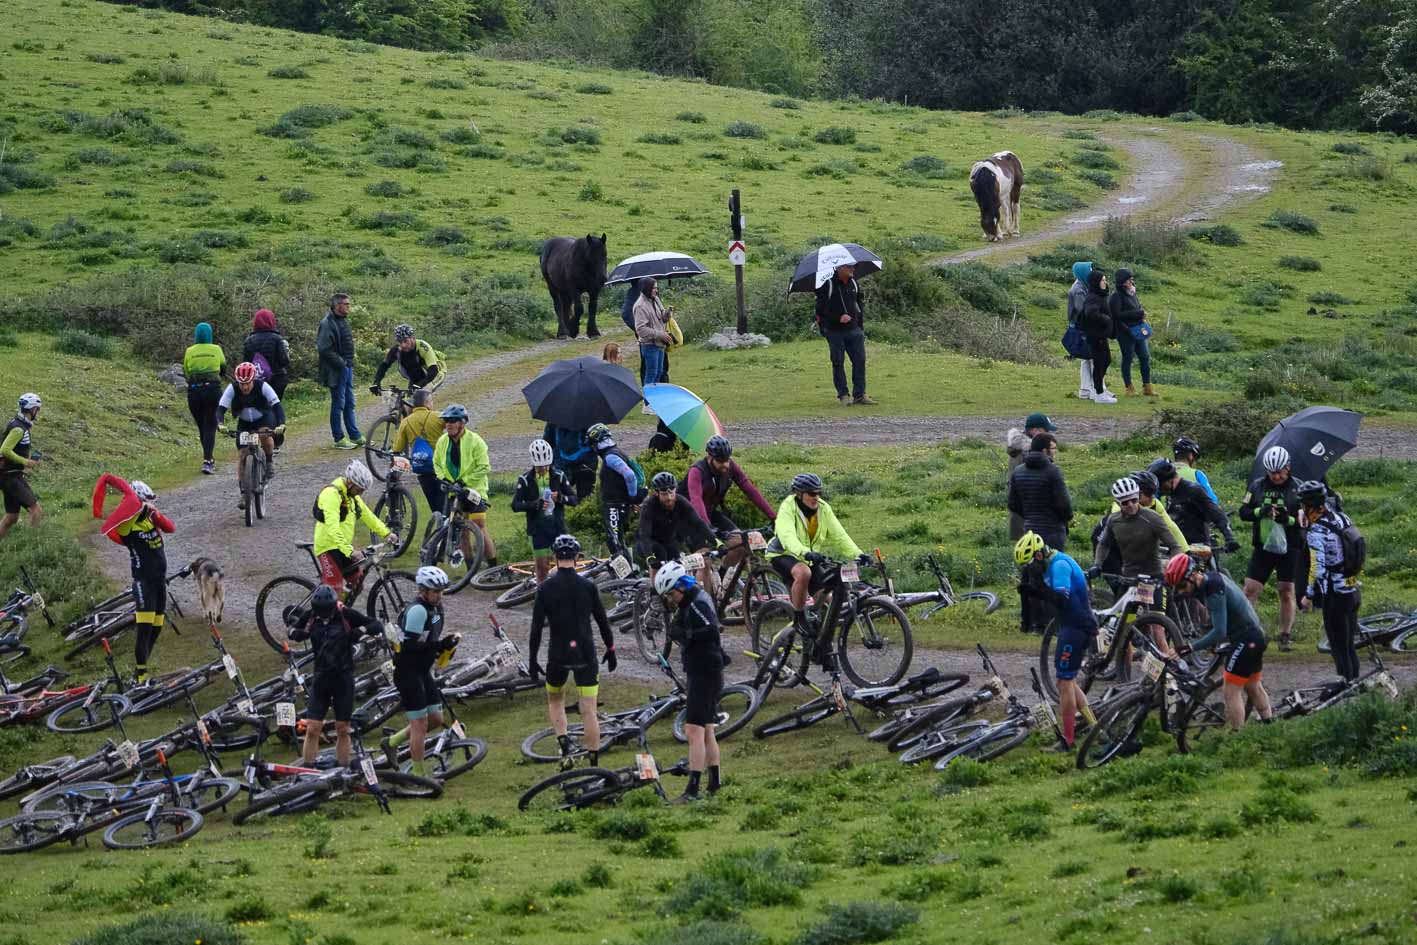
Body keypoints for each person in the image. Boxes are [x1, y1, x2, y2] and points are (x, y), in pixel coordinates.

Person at [527, 534, 617, 770]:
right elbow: (602, 622)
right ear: (577, 558)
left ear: (555, 558)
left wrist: (532, 659)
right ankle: (594, 765)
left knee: (555, 699)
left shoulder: (545, 588)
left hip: (557, 654)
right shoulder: (588, 586)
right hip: (585, 653)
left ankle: (564, 743)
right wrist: (611, 648)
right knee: (589, 710)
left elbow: (536, 629)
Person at [768, 472, 871, 666]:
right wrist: (805, 552)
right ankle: (799, 617)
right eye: (811, 493)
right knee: (803, 573)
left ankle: (822, 648)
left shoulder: (823, 509)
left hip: (809, 556)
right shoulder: (788, 507)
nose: (816, 497)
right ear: (799, 494)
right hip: (784, 554)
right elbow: (787, 535)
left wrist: (858, 554)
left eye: (818, 493)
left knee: (828, 598)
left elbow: (839, 535)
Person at [1166, 552, 1272, 730]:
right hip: (1254, 636)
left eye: (1183, 585)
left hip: (1246, 639)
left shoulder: (1213, 589)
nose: (1181, 591)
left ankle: (1238, 739)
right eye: (1177, 587)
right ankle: (1270, 725)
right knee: (1253, 685)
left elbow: (1219, 631)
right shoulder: (1208, 580)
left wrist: (1189, 648)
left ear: (1192, 575)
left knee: (1230, 691)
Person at [289, 585, 386, 767]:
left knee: (343, 729)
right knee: (312, 728)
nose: (323, 616)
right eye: (320, 612)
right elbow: (291, 630)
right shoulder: (310, 616)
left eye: (327, 612)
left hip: (343, 678)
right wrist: (298, 633)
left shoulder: (345, 614)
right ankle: (307, 770)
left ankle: (343, 769)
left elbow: (376, 625)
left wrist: (360, 631)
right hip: (321, 679)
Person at [1015, 532, 1095, 750]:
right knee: (1066, 681)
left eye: (1029, 564)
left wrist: (1037, 591)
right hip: (1070, 625)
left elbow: (1061, 599)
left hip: (1078, 627)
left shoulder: (1059, 566)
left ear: (1039, 555)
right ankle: (1095, 726)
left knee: (1065, 683)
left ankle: (1068, 740)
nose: (1029, 570)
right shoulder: (1049, 564)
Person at [656, 561, 726, 802]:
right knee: (706, 729)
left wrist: (686, 635)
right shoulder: (692, 599)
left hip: (704, 671)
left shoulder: (697, 603)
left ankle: (693, 789)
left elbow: (711, 630)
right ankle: (714, 784)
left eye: (671, 594)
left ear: (681, 588)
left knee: (693, 730)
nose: (671, 599)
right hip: (703, 669)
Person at [93, 476, 173, 684]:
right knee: (144, 630)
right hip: (143, 583)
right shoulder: (126, 524)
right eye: (147, 500)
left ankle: (141, 670)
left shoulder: (149, 518)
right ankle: (141, 675)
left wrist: (155, 514)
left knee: (157, 628)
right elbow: (117, 523)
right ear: (138, 500)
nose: (151, 503)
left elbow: (170, 528)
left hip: (159, 582)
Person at [384, 566, 460, 776]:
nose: (439, 595)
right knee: (419, 724)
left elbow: (430, 637)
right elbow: (408, 646)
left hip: (423, 670)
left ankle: (391, 742)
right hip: (408, 671)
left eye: (441, 591)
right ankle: (419, 776)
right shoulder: (418, 610)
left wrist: (445, 646)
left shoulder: (436, 609)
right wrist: (437, 646)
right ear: (423, 591)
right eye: (435, 592)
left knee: (436, 719)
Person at [679, 435, 777, 573]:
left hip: (710, 513)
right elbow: (696, 501)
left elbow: (749, 489)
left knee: (741, 543)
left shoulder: (730, 466)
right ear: (710, 457)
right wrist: (708, 528)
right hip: (688, 517)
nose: (725, 465)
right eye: (720, 461)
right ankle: (704, 593)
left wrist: (773, 516)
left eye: (727, 460)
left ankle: (723, 580)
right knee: (704, 562)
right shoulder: (697, 471)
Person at [1238, 446, 1303, 651]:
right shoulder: (1257, 486)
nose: (1275, 476)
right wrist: (1260, 511)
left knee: (1286, 591)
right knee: (1249, 591)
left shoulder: (1298, 488)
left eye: (1280, 472)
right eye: (1271, 472)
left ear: (1288, 467)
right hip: (1263, 546)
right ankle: (1247, 632)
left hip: (1290, 547)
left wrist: (1288, 519)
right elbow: (1243, 512)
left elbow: (1306, 520)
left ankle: (1285, 635)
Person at [1297, 480, 1363, 681]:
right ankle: (1355, 687)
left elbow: (1317, 568)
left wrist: (1308, 595)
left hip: (1335, 596)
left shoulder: (1317, 530)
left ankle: (1345, 689)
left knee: (1339, 648)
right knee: (1349, 646)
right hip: (1352, 588)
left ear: (1309, 506)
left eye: (1302, 505)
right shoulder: (1342, 518)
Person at [1007, 432, 1072, 634]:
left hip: (1030, 531)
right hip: (1052, 530)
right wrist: (1063, 518)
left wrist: (1030, 516)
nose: (1055, 453)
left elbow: (1013, 503)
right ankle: (1051, 624)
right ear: (1045, 450)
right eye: (1053, 449)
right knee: (1053, 577)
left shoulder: (1018, 472)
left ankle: (1030, 623)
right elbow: (1064, 505)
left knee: (1030, 577)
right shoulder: (1053, 472)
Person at [313, 459, 393, 592]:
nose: (361, 493)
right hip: (327, 547)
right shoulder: (331, 495)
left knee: (357, 583)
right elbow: (333, 528)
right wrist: (350, 552)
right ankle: (324, 611)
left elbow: (368, 516)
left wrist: (387, 533)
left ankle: (341, 610)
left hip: (343, 547)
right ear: (350, 483)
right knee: (335, 589)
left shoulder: (351, 496)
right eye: (359, 490)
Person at [433, 404, 496, 568]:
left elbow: (484, 466)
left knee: (480, 528)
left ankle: (493, 566)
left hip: (474, 492)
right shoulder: (442, 441)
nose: (448, 424)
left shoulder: (476, 441)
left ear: (462, 423)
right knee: (463, 534)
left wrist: (464, 481)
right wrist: (443, 479)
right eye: (446, 421)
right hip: (454, 492)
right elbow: (437, 463)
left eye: (452, 421)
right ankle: (470, 569)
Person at [512, 439, 580, 584]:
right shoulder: (525, 479)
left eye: (546, 466)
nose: (543, 469)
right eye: (539, 467)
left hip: (558, 527)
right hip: (538, 529)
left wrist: (561, 498)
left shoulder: (559, 476)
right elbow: (515, 505)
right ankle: (542, 597)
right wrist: (535, 504)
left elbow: (574, 499)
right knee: (542, 568)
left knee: (564, 566)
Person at [217, 362, 287, 501]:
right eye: (242, 384)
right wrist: (220, 423)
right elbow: (220, 409)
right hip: (244, 422)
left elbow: (277, 406)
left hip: (264, 418)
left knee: (264, 435)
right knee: (242, 454)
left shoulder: (263, 386)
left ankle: (268, 461)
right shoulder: (232, 388)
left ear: (253, 380)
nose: (245, 387)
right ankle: (244, 491)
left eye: (248, 383)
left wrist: (281, 424)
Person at [638, 471, 716, 587]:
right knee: (660, 556)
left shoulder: (681, 501)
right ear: (657, 493)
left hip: (669, 541)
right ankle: (654, 593)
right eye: (664, 493)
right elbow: (644, 535)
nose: (669, 497)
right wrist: (650, 557)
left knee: (678, 569)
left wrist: (715, 541)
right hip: (649, 543)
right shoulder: (649, 506)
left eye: (671, 492)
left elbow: (698, 523)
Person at [816, 263, 876, 406]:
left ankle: (860, 395)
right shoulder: (828, 286)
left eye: (853, 267)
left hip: (854, 331)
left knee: (860, 361)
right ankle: (843, 395)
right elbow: (820, 311)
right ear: (839, 268)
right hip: (834, 332)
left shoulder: (854, 284)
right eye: (848, 267)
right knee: (838, 363)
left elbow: (859, 306)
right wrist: (837, 318)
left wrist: (860, 327)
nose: (852, 269)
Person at [1149, 458, 1237, 553]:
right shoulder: (1171, 493)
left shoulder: (1194, 491)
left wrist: (1229, 538)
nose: (1159, 490)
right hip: (1177, 545)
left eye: (1161, 485)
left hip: (1197, 546)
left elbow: (1216, 513)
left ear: (1170, 479)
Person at [586, 423, 645, 563]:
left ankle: (625, 576)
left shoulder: (610, 457)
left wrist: (633, 496)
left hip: (615, 505)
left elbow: (629, 475)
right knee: (619, 542)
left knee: (614, 543)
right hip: (619, 504)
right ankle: (627, 572)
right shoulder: (617, 452)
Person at [317, 292, 363, 450]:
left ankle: (355, 435)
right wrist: (341, 363)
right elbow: (324, 349)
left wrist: (347, 364)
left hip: (347, 368)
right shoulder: (327, 323)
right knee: (338, 404)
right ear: (337, 306)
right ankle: (339, 438)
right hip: (337, 370)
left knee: (350, 402)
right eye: (346, 304)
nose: (349, 307)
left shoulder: (343, 321)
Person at [242, 309, 291, 451]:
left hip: (257, 382)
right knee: (274, 407)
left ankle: (257, 439)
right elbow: (283, 361)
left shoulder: (248, 341)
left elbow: (245, 363)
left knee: (259, 408)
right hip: (277, 379)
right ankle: (275, 442)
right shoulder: (276, 339)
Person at [391, 388, 445, 516]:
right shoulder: (437, 417)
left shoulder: (406, 422)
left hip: (423, 469)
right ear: (427, 403)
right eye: (431, 401)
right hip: (441, 467)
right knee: (445, 504)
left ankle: (438, 526)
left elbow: (397, 448)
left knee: (435, 507)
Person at [1005, 412, 1058, 540]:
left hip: (1019, 504)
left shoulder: (1018, 447)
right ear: (1035, 430)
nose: (1050, 435)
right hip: (1031, 507)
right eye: (1046, 431)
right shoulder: (1029, 451)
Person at [183, 323, 226, 474]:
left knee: (202, 426)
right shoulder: (216, 349)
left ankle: (208, 458)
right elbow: (223, 369)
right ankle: (208, 460)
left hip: (194, 392)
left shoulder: (189, 351)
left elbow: (187, 370)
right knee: (210, 425)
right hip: (213, 390)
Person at [0, 393, 43, 539]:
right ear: (32, 409)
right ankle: (30, 546)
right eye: (38, 409)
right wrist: (26, 462)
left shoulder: (19, 424)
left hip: (8, 475)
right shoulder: (19, 428)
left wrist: (27, 458)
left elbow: (14, 448)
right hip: (11, 476)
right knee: (35, 510)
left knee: (12, 516)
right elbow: (4, 450)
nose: (38, 412)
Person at [1108, 268, 1154, 396]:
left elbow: (1136, 308)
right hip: (1125, 332)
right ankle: (1129, 388)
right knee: (1128, 358)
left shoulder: (1132, 293)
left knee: (1145, 357)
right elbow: (1117, 315)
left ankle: (1147, 387)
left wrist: (1141, 314)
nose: (1132, 281)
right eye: (1129, 279)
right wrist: (1138, 313)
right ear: (1123, 281)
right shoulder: (1116, 296)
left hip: (1138, 330)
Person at [371, 324, 444, 396]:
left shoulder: (423, 346)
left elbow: (433, 370)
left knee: (422, 396)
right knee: (409, 400)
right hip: (418, 375)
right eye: (400, 342)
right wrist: (376, 382)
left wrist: (420, 384)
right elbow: (384, 366)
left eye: (405, 341)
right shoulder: (396, 350)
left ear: (412, 338)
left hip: (437, 372)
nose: (403, 345)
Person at [633, 277, 672, 411]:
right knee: (651, 373)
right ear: (647, 289)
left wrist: (667, 314)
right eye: (654, 288)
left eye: (657, 287)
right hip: (649, 345)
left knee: (659, 372)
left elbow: (661, 317)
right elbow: (641, 330)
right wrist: (660, 334)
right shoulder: (640, 306)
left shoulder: (655, 300)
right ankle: (648, 404)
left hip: (660, 344)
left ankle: (654, 401)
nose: (656, 290)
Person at [1078, 268, 1115, 403]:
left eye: (1105, 280)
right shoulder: (1093, 297)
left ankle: (1096, 390)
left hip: (1100, 335)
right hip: (1095, 336)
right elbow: (1091, 313)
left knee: (1105, 361)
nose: (1105, 283)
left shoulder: (1099, 295)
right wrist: (1106, 319)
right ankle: (1099, 394)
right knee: (1100, 363)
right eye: (1103, 280)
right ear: (1096, 282)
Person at [543, 422, 596, 500]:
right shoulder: (589, 416)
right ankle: (585, 510)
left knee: (559, 496)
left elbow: (547, 442)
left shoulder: (555, 417)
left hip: (561, 462)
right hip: (586, 463)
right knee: (585, 498)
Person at [1067, 262, 1094, 399]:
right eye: (1089, 269)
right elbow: (1082, 310)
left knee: (1087, 359)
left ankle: (1085, 390)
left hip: (1081, 327)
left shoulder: (1083, 286)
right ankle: (1096, 390)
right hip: (1083, 329)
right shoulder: (1078, 289)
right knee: (1093, 358)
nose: (1091, 271)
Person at [1172, 437, 1219, 504]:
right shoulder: (1197, 474)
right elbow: (1213, 500)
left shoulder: (1162, 471)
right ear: (1190, 455)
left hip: (1166, 513)